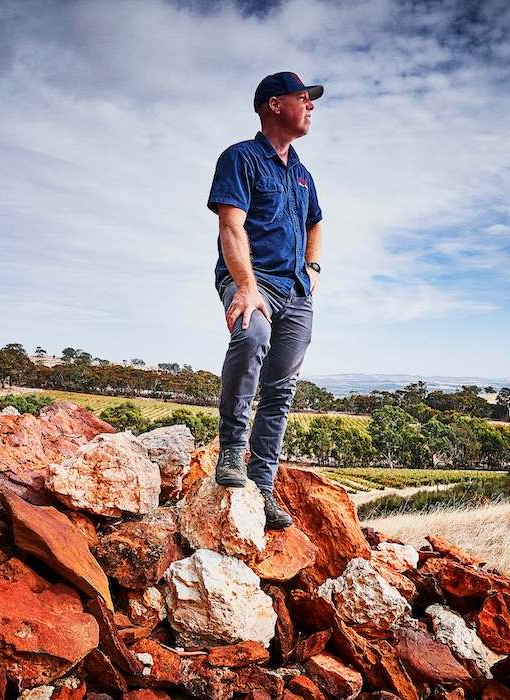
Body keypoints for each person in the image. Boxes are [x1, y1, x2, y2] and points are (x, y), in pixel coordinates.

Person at [206, 72, 324, 529]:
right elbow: (230, 227)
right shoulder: (240, 158)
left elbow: (316, 223)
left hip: (296, 292)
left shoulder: (302, 175)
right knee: (251, 337)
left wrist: (312, 270)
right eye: (303, 98)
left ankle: (264, 485)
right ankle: (232, 450)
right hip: (253, 282)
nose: (310, 106)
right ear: (274, 104)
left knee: (281, 390)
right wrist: (247, 287)